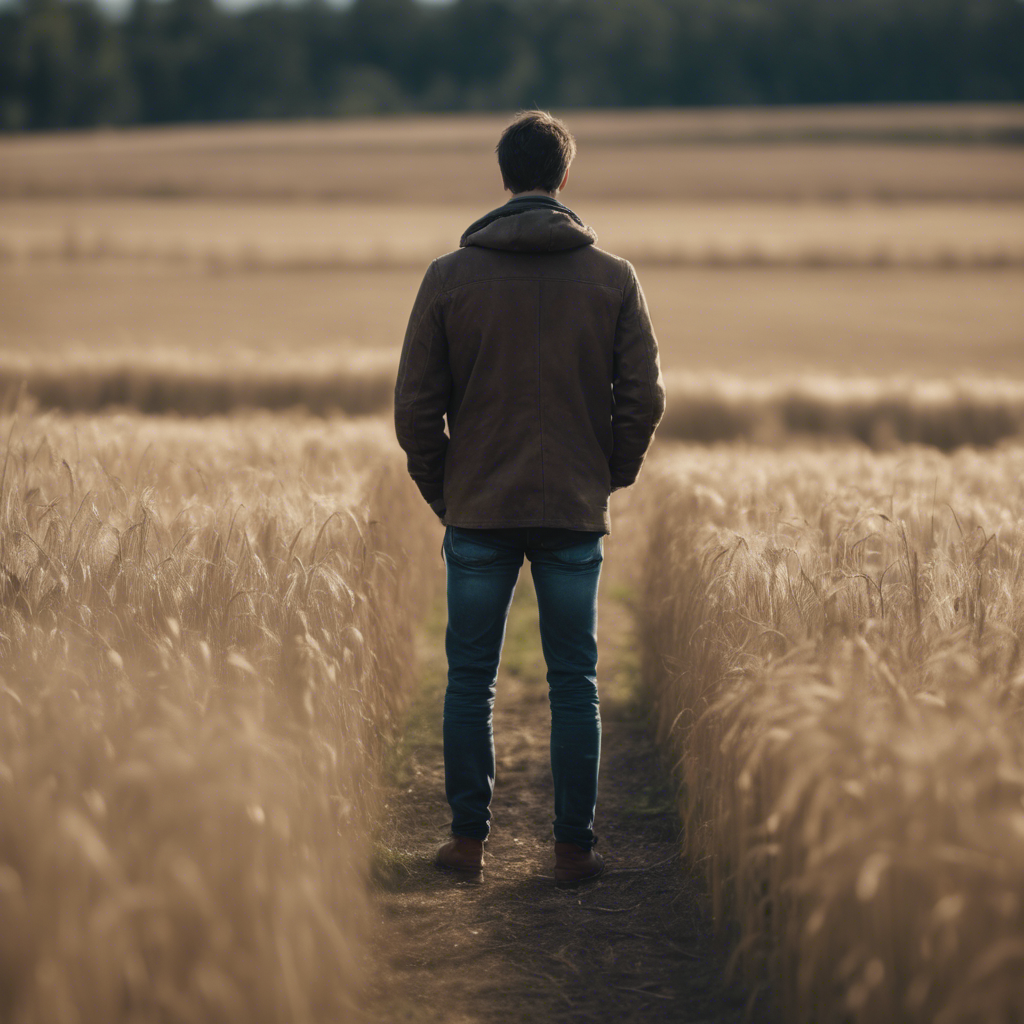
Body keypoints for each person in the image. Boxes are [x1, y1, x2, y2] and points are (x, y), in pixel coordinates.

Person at [394, 110, 666, 886]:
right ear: (565, 176)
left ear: (504, 176)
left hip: (478, 505)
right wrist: (604, 472)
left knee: (469, 678)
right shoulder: (613, 277)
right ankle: (573, 849)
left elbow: (415, 406)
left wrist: (448, 490)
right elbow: (643, 399)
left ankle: (467, 845)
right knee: (574, 679)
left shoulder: (449, 277)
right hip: (572, 508)